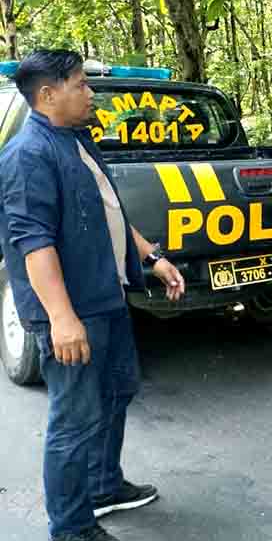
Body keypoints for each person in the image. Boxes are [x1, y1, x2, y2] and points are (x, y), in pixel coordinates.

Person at [0, 50, 186, 541]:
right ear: (47, 95)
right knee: (75, 418)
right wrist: (61, 318)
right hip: (72, 308)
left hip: (106, 294)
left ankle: (104, 486)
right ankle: (72, 528)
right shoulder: (27, 156)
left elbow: (107, 211)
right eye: (81, 85)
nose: (90, 93)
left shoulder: (76, 139)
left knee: (118, 390)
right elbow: (32, 242)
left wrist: (151, 257)